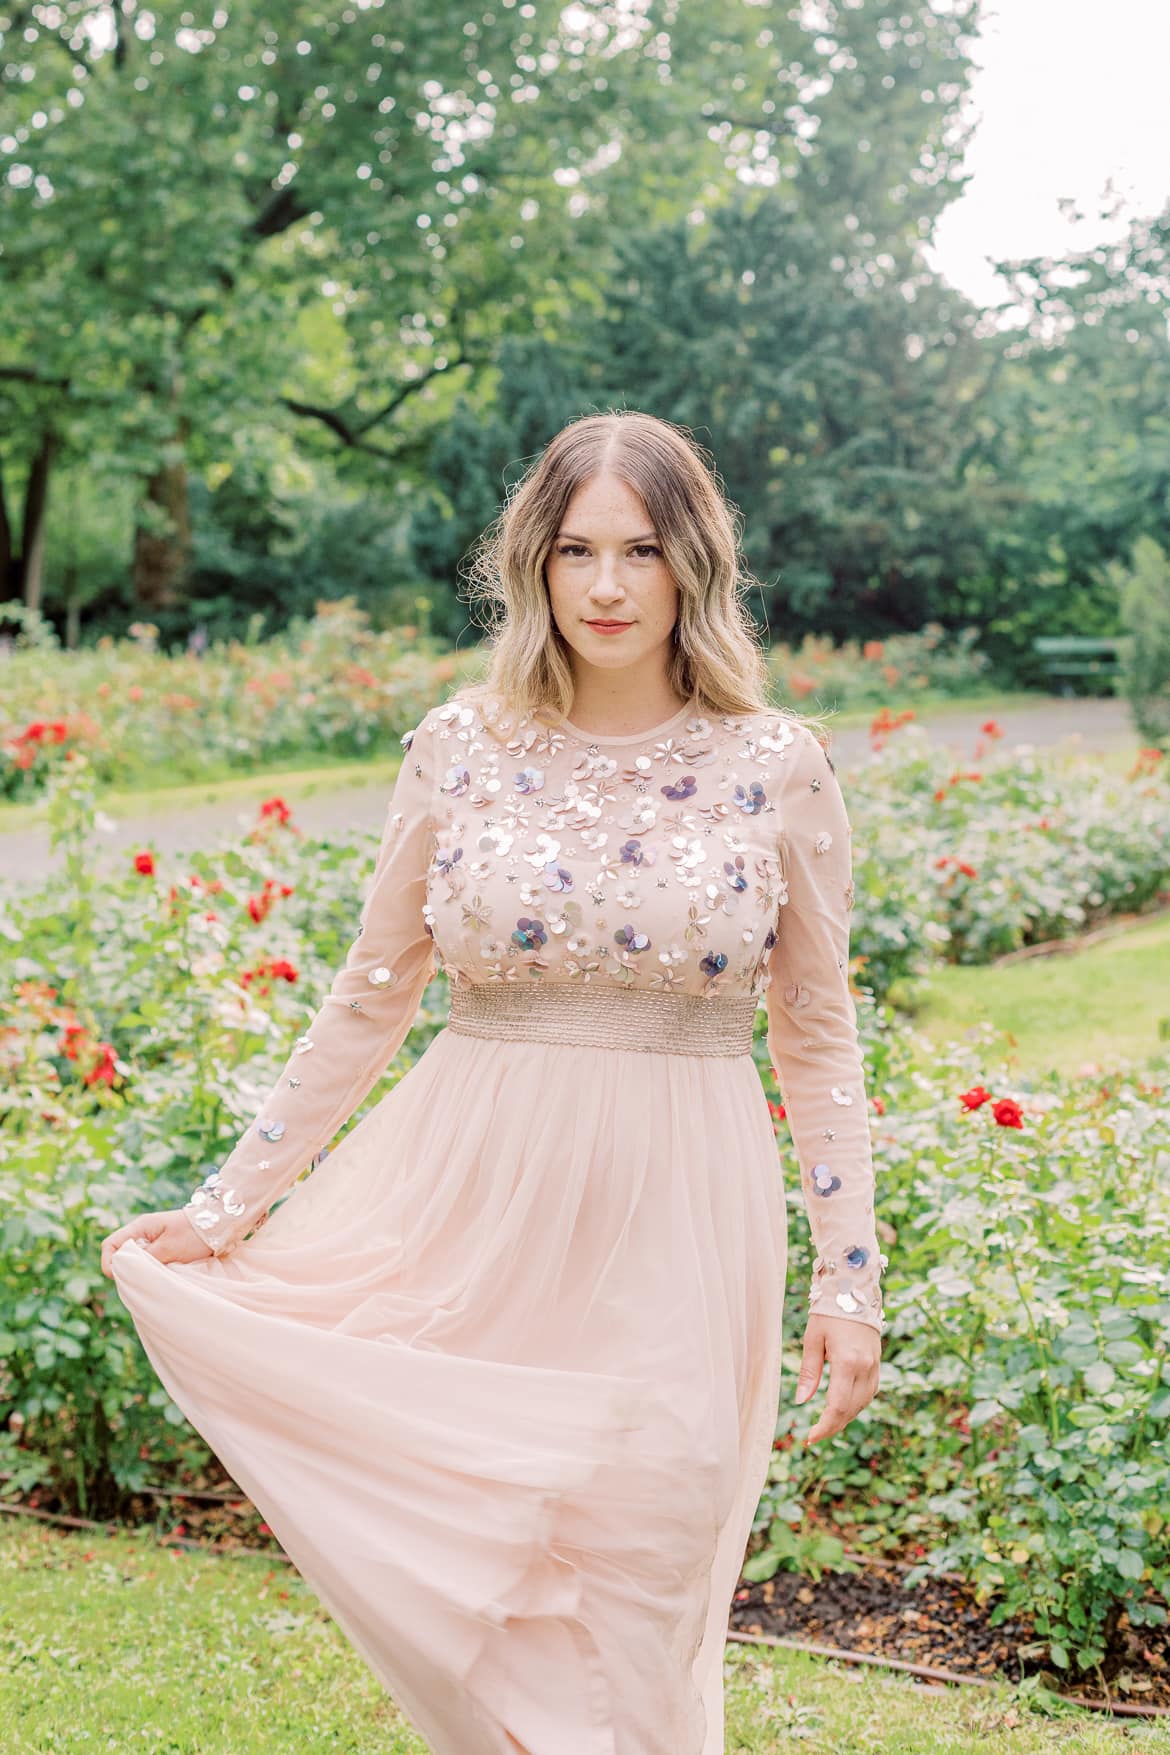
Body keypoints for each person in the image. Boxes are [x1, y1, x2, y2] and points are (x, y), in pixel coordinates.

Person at [101, 409, 886, 1755]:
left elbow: (815, 1033)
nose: (603, 587)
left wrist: (849, 1279)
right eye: (573, 550)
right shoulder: (459, 747)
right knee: (495, 1584)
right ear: (529, 563)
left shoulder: (777, 768)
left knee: (641, 1561)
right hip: (469, 1209)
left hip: (679, 1221)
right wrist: (228, 1209)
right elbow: (369, 996)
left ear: (693, 562)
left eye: (640, 550)